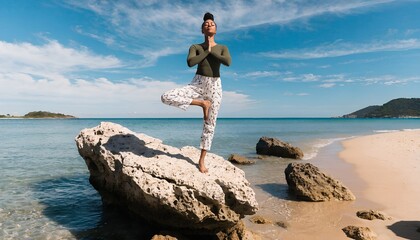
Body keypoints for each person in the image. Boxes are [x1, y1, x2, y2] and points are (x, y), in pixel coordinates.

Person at [161, 12, 231, 173]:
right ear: (202, 30)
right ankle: (201, 103)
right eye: (206, 24)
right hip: (197, 82)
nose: (209, 25)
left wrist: (211, 49)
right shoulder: (195, 47)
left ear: (216, 29)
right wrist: (206, 49)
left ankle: (201, 161)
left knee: (210, 124)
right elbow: (190, 62)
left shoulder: (222, 47)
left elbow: (227, 62)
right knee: (166, 96)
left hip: (215, 85)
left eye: (212, 23)